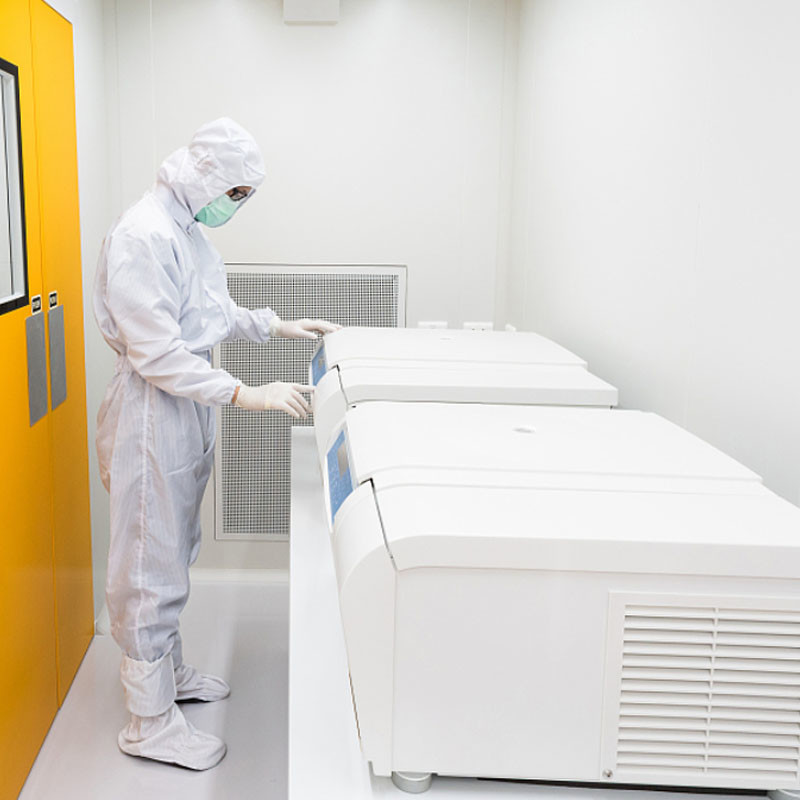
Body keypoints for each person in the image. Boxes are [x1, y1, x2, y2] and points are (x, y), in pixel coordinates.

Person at [94, 117, 338, 770]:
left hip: (186, 407)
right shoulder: (144, 234)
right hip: (153, 411)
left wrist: (276, 325)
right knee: (148, 562)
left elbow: (210, 312)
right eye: (236, 193)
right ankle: (148, 723)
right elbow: (157, 354)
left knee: (175, 547)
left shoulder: (187, 232)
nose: (237, 205)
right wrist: (244, 393)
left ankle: (167, 676)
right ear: (206, 176)